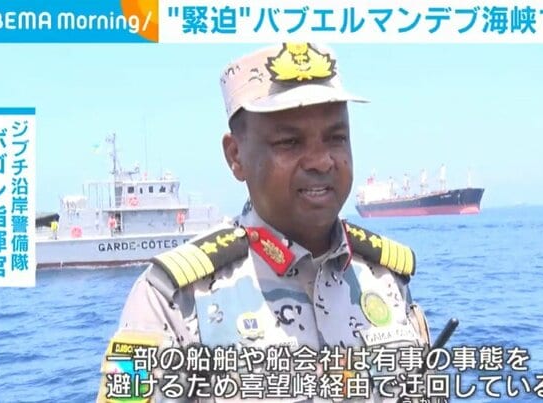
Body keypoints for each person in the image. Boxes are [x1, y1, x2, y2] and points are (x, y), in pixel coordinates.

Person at [97, 43, 435, 402]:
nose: (321, 161)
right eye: (290, 142)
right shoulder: (172, 297)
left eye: (336, 138)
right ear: (236, 156)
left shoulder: (385, 278)